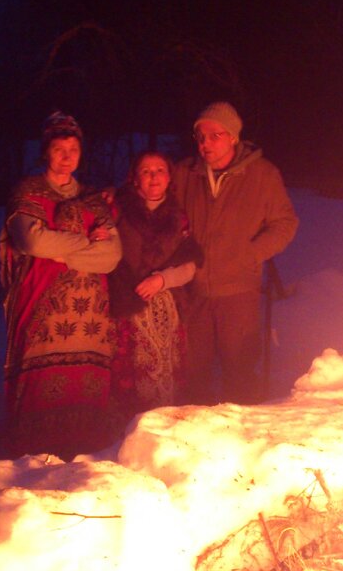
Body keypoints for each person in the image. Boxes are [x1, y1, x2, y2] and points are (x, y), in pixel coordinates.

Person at [0, 112, 122, 459]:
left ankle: (83, 449)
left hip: (89, 318)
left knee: (86, 378)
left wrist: (62, 249)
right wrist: (85, 242)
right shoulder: (28, 192)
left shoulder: (93, 199)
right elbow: (32, 242)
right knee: (39, 378)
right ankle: (33, 453)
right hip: (41, 307)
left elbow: (111, 255)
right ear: (45, 153)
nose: (67, 156)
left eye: (73, 149)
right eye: (58, 149)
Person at [173, 101, 298, 405]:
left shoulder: (261, 175)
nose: (205, 144)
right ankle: (192, 440)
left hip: (239, 292)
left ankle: (242, 440)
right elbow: (153, 195)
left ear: (232, 137)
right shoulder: (186, 174)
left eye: (214, 136)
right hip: (194, 291)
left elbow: (285, 223)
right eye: (200, 137)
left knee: (240, 373)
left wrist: (251, 254)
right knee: (193, 375)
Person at [108, 151, 201, 419]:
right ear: (135, 179)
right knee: (128, 378)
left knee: (166, 378)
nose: (153, 177)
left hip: (166, 312)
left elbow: (190, 265)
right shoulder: (117, 210)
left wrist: (162, 280)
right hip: (127, 308)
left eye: (159, 170)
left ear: (169, 177)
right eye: (146, 171)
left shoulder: (178, 217)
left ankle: (161, 431)